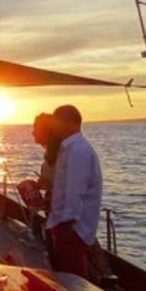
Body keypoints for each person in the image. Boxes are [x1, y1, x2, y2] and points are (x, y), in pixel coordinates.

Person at [46, 105, 102, 279]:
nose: (53, 127)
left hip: (72, 228)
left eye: (56, 122)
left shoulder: (78, 150)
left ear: (69, 122)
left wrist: (66, 226)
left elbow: (75, 189)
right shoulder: (71, 148)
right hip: (65, 224)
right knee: (67, 275)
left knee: (72, 278)